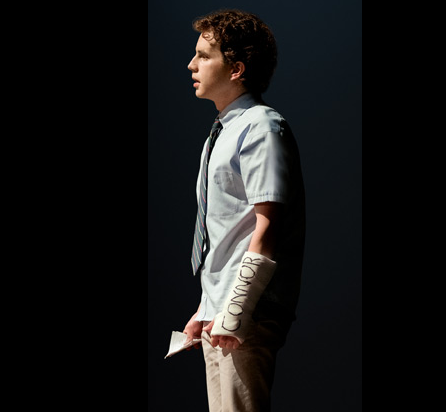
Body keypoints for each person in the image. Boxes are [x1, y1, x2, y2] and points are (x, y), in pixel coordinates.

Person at [181, 9, 306, 412]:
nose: (192, 65)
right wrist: (205, 308)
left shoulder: (261, 127)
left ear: (236, 69)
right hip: (220, 310)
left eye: (204, 56)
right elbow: (228, 231)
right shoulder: (221, 134)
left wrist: (237, 312)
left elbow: (267, 227)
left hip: (246, 312)